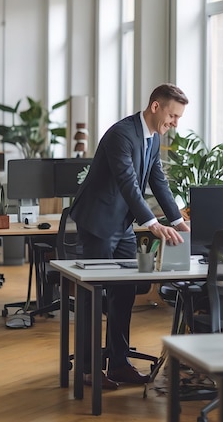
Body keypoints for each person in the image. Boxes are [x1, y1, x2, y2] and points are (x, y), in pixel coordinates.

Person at [70, 83, 190, 389]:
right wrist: (152, 223)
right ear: (155, 107)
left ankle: (119, 363)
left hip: (121, 224)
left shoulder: (151, 139)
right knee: (94, 295)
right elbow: (128, 183)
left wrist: (178, 221)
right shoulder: (121, 134)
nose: (175, 123)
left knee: (123, 293)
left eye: (178, 118)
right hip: (97, 221)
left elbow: (157, 181)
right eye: (173, 115)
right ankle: (86, 369)